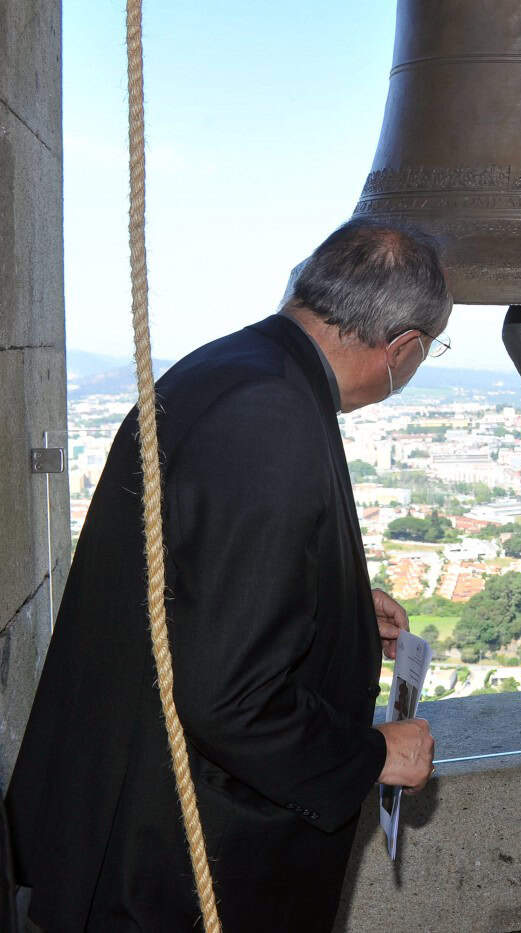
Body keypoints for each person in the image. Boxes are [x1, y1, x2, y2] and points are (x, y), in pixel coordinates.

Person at [6, 219, 448, 930]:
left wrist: (335, 605)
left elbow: (204, 587)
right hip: (173, 861)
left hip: (130, 816)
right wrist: (370, 756)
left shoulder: (233, 368)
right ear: (404, 347)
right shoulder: (271, 414)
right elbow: (230, 697)